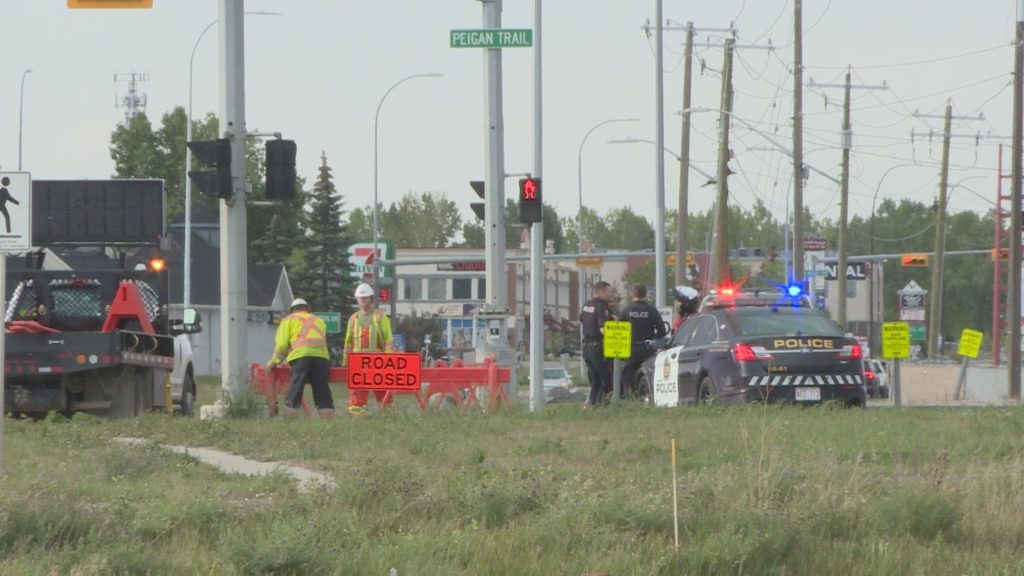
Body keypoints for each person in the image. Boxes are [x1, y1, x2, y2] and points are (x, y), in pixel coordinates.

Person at [265, 298, 334, 418]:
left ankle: (290, 418)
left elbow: (281, 345)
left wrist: (274, 361)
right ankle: (327, 417)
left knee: (296, 387)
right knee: (322, 389)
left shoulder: (288, 320)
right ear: (307, 308)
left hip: (301, 357)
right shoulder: (319, 320)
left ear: (292, 310)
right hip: (321, 358)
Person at [343, 282, 395, 417]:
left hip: (377, 362)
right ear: (357, 300)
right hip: (358, 364)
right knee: (357, 393)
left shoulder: (379, 316)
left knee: (382, 391)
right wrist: (346, 363)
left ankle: (387, 417)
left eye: (365, 297)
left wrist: (388, 360)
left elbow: (388, 340)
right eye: (361, 298)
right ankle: (356, 418)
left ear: (371, 298)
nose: (363, 300)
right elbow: (348, 343)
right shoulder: (353, 318)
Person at [619, 283, 667, 397]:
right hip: (647, 349)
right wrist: (654, 338)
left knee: (628, 373)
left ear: (632, 294)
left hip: (630, 349)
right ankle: (645, 395)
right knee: (647, 373)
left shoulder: (626, 311)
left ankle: (631, 396)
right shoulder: (651, 310)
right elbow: (662, 331)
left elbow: (619, 331)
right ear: (646, 294)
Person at [580, 280, 614, 408]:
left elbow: (582, 319)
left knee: (594, 381)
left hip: (586, 348)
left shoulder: (587, 305)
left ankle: (591, 405)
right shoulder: (601, 306)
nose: (611, 295)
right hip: (596, 348)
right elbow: (602, 328)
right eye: (609, 292)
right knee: (605, 381)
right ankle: (601, 407)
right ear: (601, 292)